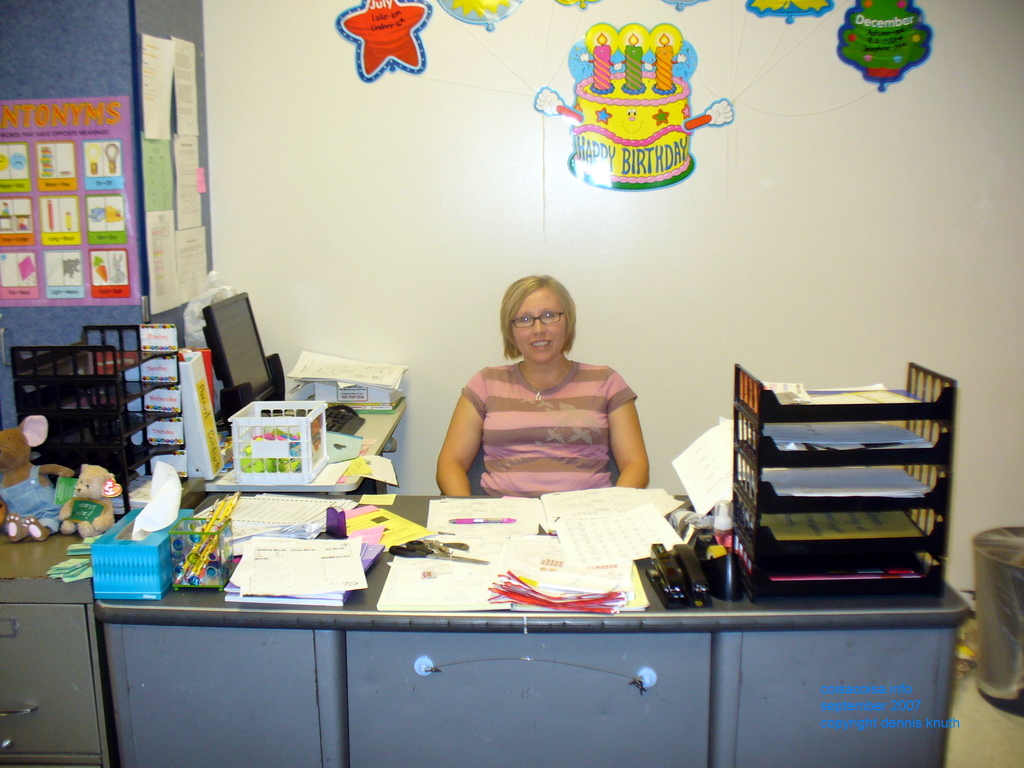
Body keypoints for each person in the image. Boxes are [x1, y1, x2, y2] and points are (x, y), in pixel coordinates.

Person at [436, 275, 649, 497]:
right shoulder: (485, 383)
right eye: (524, 319)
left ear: (568, 320)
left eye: (549, 316)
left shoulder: (606, 381)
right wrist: (466, 513)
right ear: (510, 330)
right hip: (504, 518)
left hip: (584, 517)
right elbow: (451, 463)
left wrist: (614, 511)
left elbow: (636, 464)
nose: (538, 329)